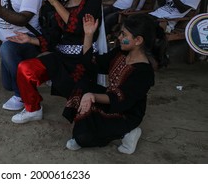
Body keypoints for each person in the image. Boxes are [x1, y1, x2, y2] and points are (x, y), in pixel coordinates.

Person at [7, 0, 105, 124]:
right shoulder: (64, 5)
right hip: (60, 58)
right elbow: (53, 37)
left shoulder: (93, 1)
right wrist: (29, 40)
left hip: (82, 61)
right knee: (25, 68)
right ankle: (33, 109)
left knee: (82, 116)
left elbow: (77, 27)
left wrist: (53, 2)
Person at [63, 13, 167, 154]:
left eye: (124, 35)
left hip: (126, 113)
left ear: (138, 40)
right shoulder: (121, 52)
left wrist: (92, 96)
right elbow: (93, 64)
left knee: (83, 136)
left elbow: (120, 98)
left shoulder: (144, 72)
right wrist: (88, 35)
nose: (119, 38)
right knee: (81, 85)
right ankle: (88, 129)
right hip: (111, 99)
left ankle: (127, 133)